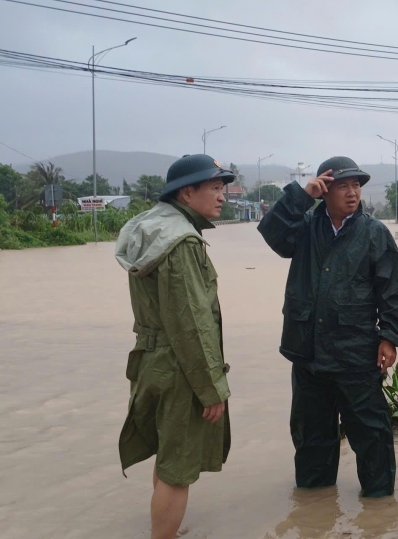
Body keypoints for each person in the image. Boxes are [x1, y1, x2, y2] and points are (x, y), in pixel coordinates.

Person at [258, 156, 398, 498]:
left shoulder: (374, 233)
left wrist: (389, 337)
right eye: (343, 185)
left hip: (356, 352)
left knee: (371, 434)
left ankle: (378, 509)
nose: (352, 192)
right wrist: (301, 195)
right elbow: (271, 232)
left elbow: (395, 291)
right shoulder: (305, 227)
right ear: (324, 190)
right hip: (308, 352)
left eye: (356, 185)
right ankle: (315, 509)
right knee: (311, 435)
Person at [114, 154, 236, 539]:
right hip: (180, 367)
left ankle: (163, 528)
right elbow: (191, 326)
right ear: (187, 192)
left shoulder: (149, 228)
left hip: (151, 359)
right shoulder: (181, 243)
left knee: (169, 454)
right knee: (178, 469)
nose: (222, 197)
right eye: (215, 188)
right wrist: (210, 387)